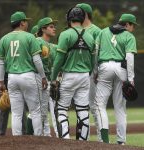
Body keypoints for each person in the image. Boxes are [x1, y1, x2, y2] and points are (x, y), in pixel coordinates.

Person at [0, 11, 47, 136]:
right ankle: (38, 138)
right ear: (21, 23)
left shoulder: (4, 39)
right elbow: (37, 60)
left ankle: (17, 142)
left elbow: (1, 63)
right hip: (28, 76)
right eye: (26, 21)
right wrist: (43, 77)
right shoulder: (29, 37)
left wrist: (1, 82)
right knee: (35, 110)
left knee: (16, 113)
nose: (27, 23)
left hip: (12, 78)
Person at [51, 7, 95, 140]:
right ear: (82, 19)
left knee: (62, 109)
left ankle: (65, 141)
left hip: (69, 76)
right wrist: (89, 73)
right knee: (82, 110)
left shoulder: (66, 34)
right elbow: (93, 61)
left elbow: (59, 60)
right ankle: (83, 142)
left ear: (69, 19)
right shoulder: (90, 35)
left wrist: (53, 78)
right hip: (84, 76)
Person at [94, 14, 138, 144]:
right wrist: (131, 78)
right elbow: (129, 58)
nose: (133, 28)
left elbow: (96, 52)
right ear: (127, 24)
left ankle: (104, 139)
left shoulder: (103, 32)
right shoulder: (129, 36)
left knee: (100, 105)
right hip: (122, 70)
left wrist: (95, 71)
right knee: (120, 107)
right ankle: (121, 141)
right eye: (133, 25)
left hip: (105, 67)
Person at [26, 18, 58, 137]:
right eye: (51, 26)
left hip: (46, 80)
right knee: (36, 110)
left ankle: (41, 138)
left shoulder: (50, 45)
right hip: (36, 77)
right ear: (43, 29)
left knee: (43, 112)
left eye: (54, 26)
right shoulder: (37, 41)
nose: (54, 28)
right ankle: (28, 137)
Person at [76, 3, 102, 141]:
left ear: (85, 14)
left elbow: (99, 54)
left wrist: (96, 71)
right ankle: (82, 138)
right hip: (77, 73)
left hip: (91, 73)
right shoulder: (74, 30)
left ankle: (100, 139)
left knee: (94, 105)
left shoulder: (96, 31)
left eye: (78, 12)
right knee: (80, 106)